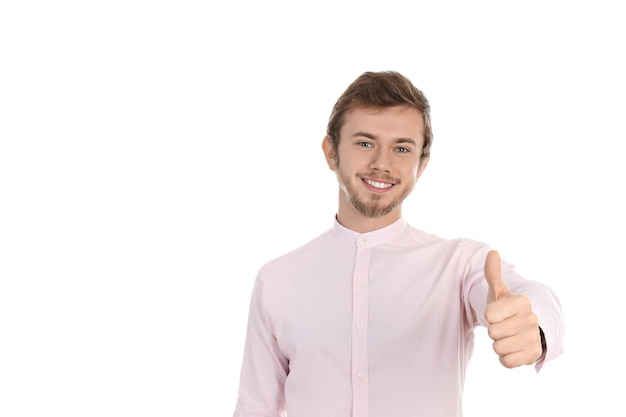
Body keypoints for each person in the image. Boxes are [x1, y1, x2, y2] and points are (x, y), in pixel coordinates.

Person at [232, 71, 565, 417]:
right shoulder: (277, 280)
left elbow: (526, 295)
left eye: (402, 148)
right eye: (364, 143)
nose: (382, 164)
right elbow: (256, 407)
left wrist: (532, 324)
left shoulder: (457, 265)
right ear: (331, 152)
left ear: (421, 164)